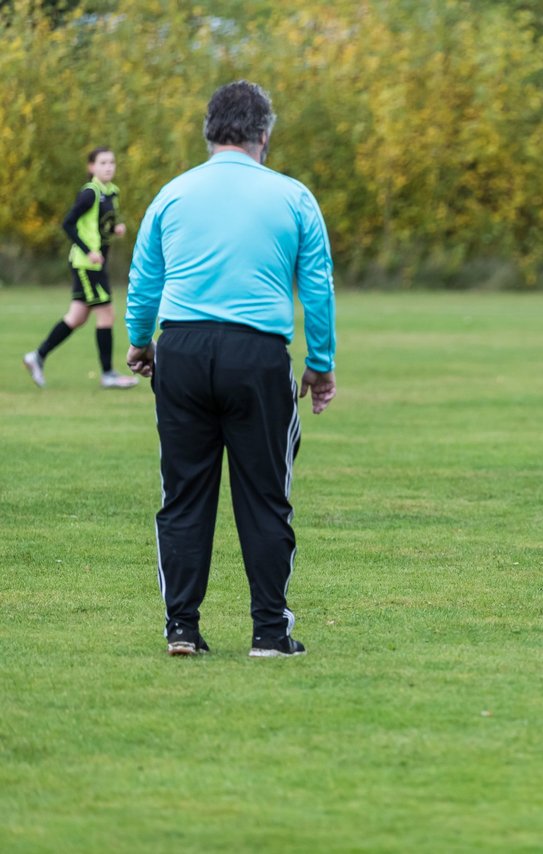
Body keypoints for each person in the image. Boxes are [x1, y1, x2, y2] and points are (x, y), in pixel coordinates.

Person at [125, 80, 337, 658]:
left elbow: (145, 280)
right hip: (257, 354)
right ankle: (269, 632)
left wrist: (140, 343)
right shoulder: (293, 196)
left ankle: (182, 628)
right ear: (264, 134)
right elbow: (316, 288)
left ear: (209, 131)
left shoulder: (172, 194)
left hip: (184, 350)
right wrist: (320, 365)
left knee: (184, 494)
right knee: (266, 496)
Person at [23, 147, 139, 389]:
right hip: (86, 265)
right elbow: (68, 224)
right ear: (92, 167)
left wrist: (115, 229)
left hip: (95, 265)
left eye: (112, 162)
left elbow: (99, 225)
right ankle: (108, 374)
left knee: (77, 317)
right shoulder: (90, 194)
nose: (108, 167)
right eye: (103, 163)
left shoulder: (112, 192)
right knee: (106, 313)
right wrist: (89, 251)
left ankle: (37, 356)